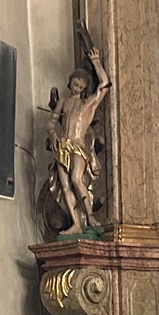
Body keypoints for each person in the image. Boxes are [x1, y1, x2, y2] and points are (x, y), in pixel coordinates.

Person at [47, 49, 111, 234]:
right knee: (65, 185)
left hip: (78, 146)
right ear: (70, 83)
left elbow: (105, 84)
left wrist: (96, 61)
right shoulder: (63, 103)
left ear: (84, 89)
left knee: (76, 179)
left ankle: (90, 216)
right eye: (75, 84)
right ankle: (76, 223)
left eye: (81, 87)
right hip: (62, 146)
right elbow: (51, 122)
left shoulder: (87, 104)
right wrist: (52, 134)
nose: (77, 89)